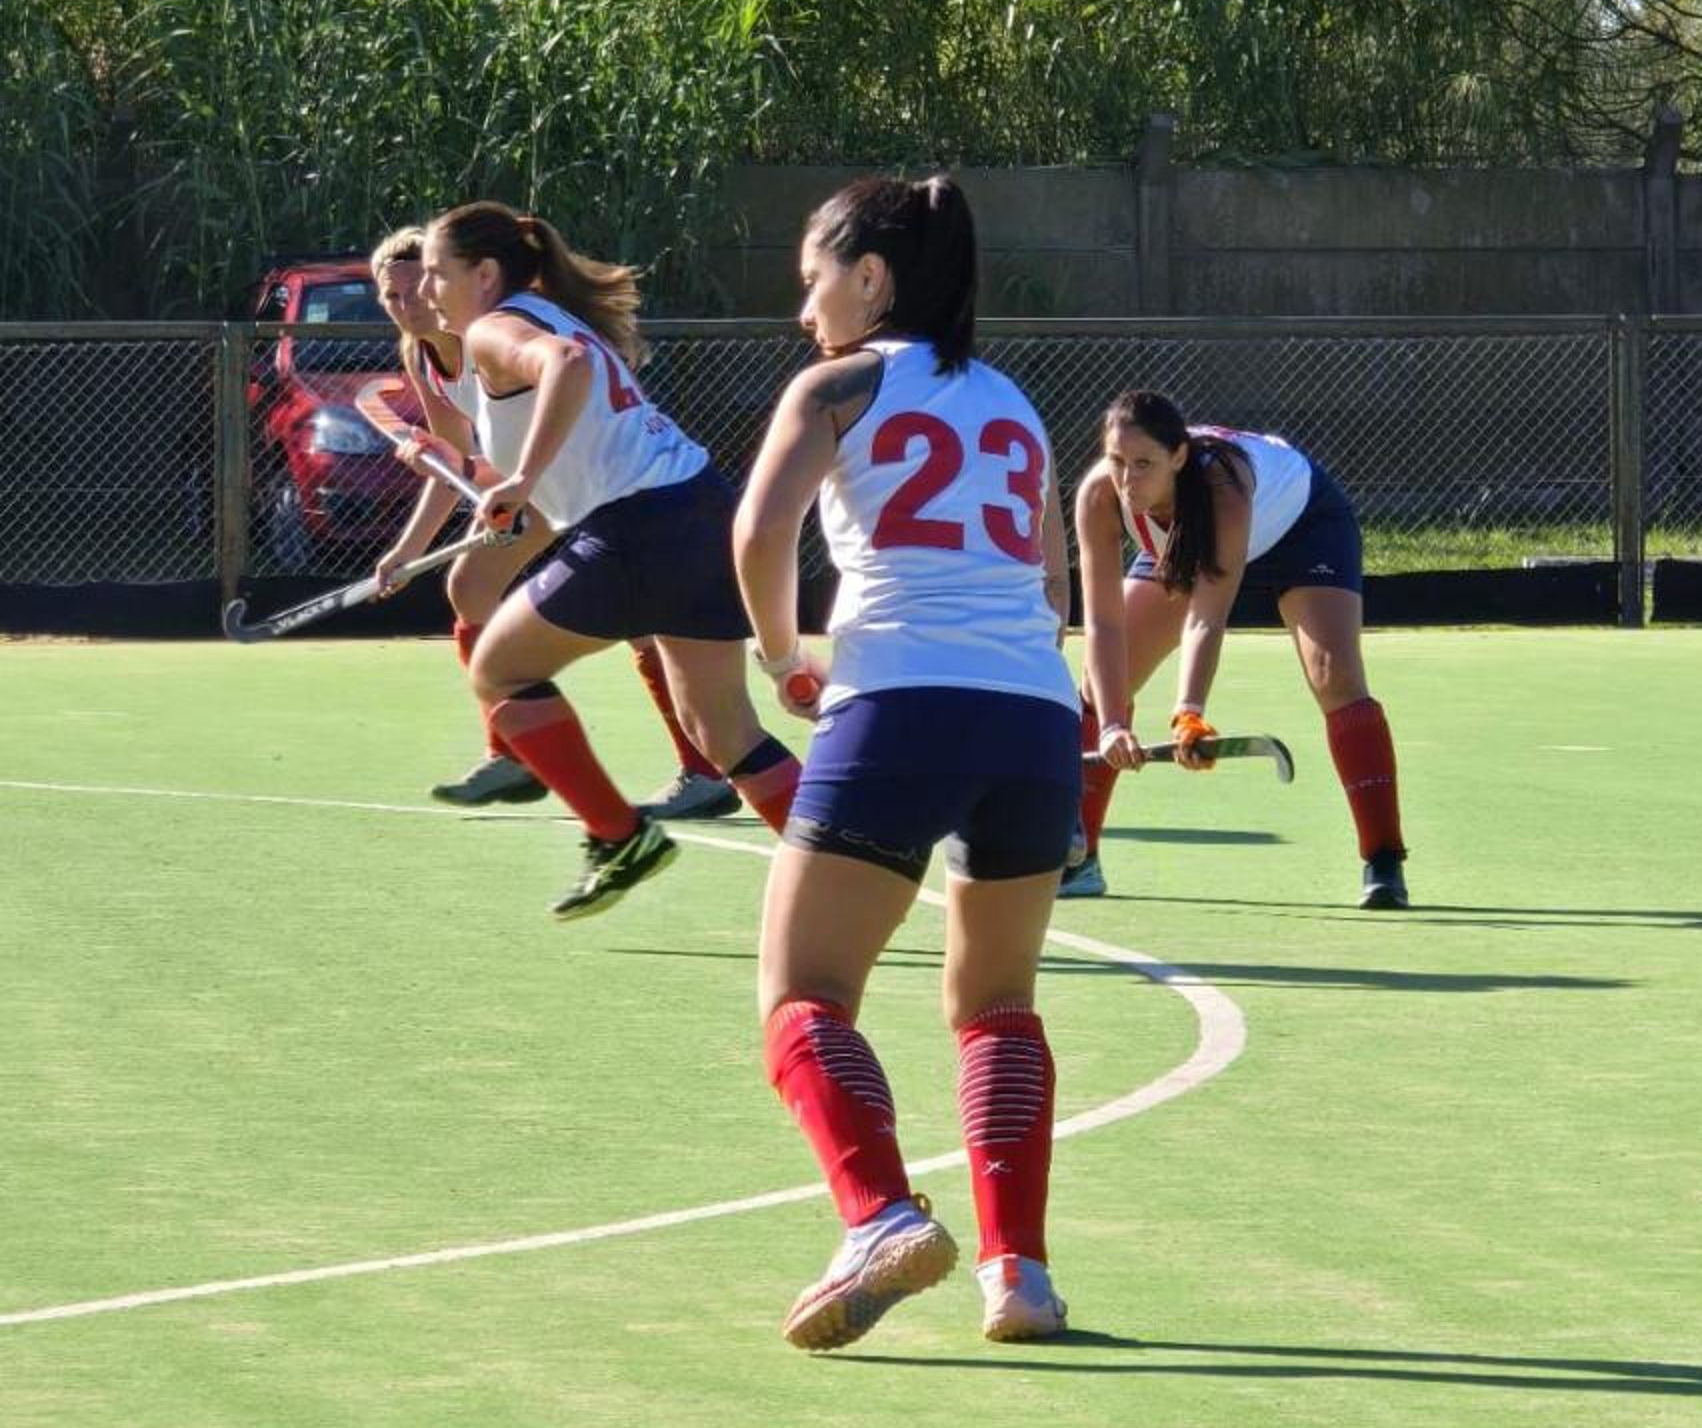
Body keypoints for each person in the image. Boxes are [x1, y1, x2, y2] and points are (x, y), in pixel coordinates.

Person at [733, 174, 1081, 1351]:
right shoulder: (1018, 404)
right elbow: (1049, 585)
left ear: (871, 277)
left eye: (814, 278)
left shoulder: (836, 385)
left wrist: (785, 656)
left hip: (898, 705)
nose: (805, 309)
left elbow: (760, 532)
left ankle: (879, 1212)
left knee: (800, 996)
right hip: (1035, 721)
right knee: (997, 1006)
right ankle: (1020, 1276)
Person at [415, 200, 803, 919]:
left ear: (486, 274)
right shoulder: (546, 314)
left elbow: (567, 368)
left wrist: (523, 479)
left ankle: (620, 838)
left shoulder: (498, 328)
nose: (426, 289)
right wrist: (520, 489)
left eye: (438, 273)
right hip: (700, 505)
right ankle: (844, 864)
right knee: (725, 731)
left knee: (498, 669)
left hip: (638, 526)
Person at [368, 230, 740, 821]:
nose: (409, 305)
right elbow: (453, 460)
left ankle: (702, 773)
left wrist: (479, 472)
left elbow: (485, 456)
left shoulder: (493, 331)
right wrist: (404, 549)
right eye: (391, 296)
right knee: (469, 587)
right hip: (545, 484)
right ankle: (511, 754)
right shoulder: (423, 356)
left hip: (591, 477)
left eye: (421, 286)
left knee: (645, 622)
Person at [1069, 388, 1410, 910]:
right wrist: (1113, 724)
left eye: (1144, 464)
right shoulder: (1098, 496)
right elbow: (1103, 624)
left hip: (1303, 530)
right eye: (1117, 461)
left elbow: (1207, 614)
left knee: (1334, 676)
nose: (1127, 480)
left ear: (1178, 457)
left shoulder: (1221, 486)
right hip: (1189, 545)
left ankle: (1383, 861)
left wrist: (1188, 713)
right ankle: (1081, 859)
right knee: (1100, 686)